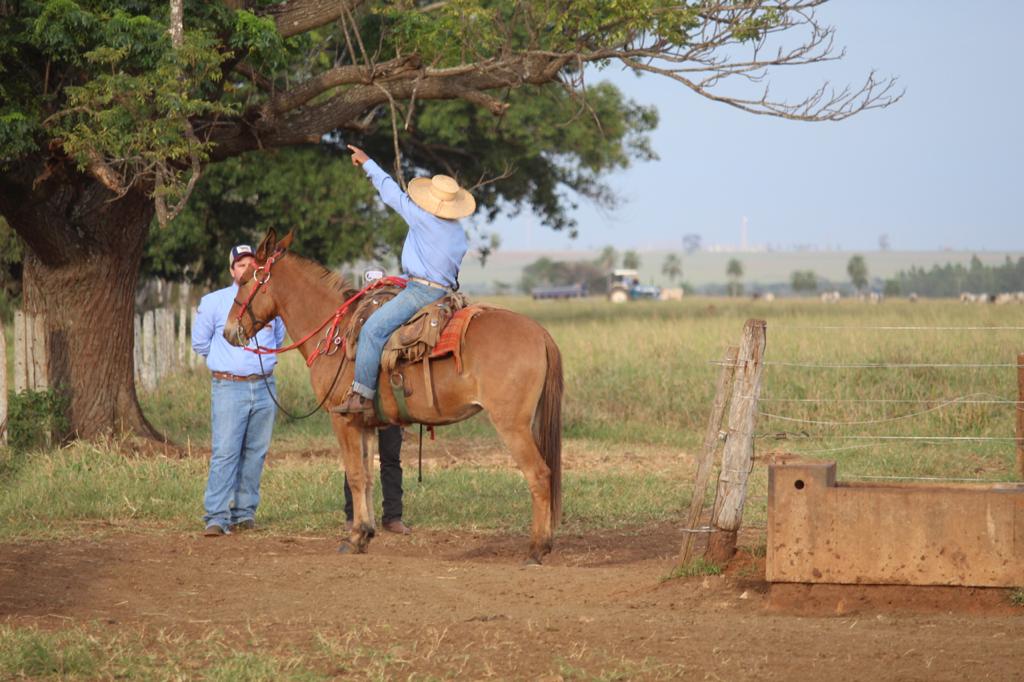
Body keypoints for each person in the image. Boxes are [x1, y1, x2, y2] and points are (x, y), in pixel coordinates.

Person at [334, 145, 475, 414]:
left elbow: (391, 194)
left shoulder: (423, 219)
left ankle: (361, 394)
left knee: (372, 330)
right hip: (444, 291)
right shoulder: (457, 232)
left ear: (432, 201)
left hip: (420, 292)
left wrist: (367, 162)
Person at [192, 244, 287, 536]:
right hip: (230, 386)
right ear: (232, 270)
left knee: (256, 452)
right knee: (226, 451)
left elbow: (279, 339)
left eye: (250, 264)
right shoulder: (215, 302)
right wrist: (228, 363)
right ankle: (216, 517)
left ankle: (244, 513)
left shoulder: (269, 301)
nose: (245, 269)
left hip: (264, 385)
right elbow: (201, 343)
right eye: (240, 265)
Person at [342, 425, 411, 534]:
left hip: (388, 410)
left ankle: (393, 517)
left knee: (391, 457)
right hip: (360, 409)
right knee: (356, 457)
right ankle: (353, 516)